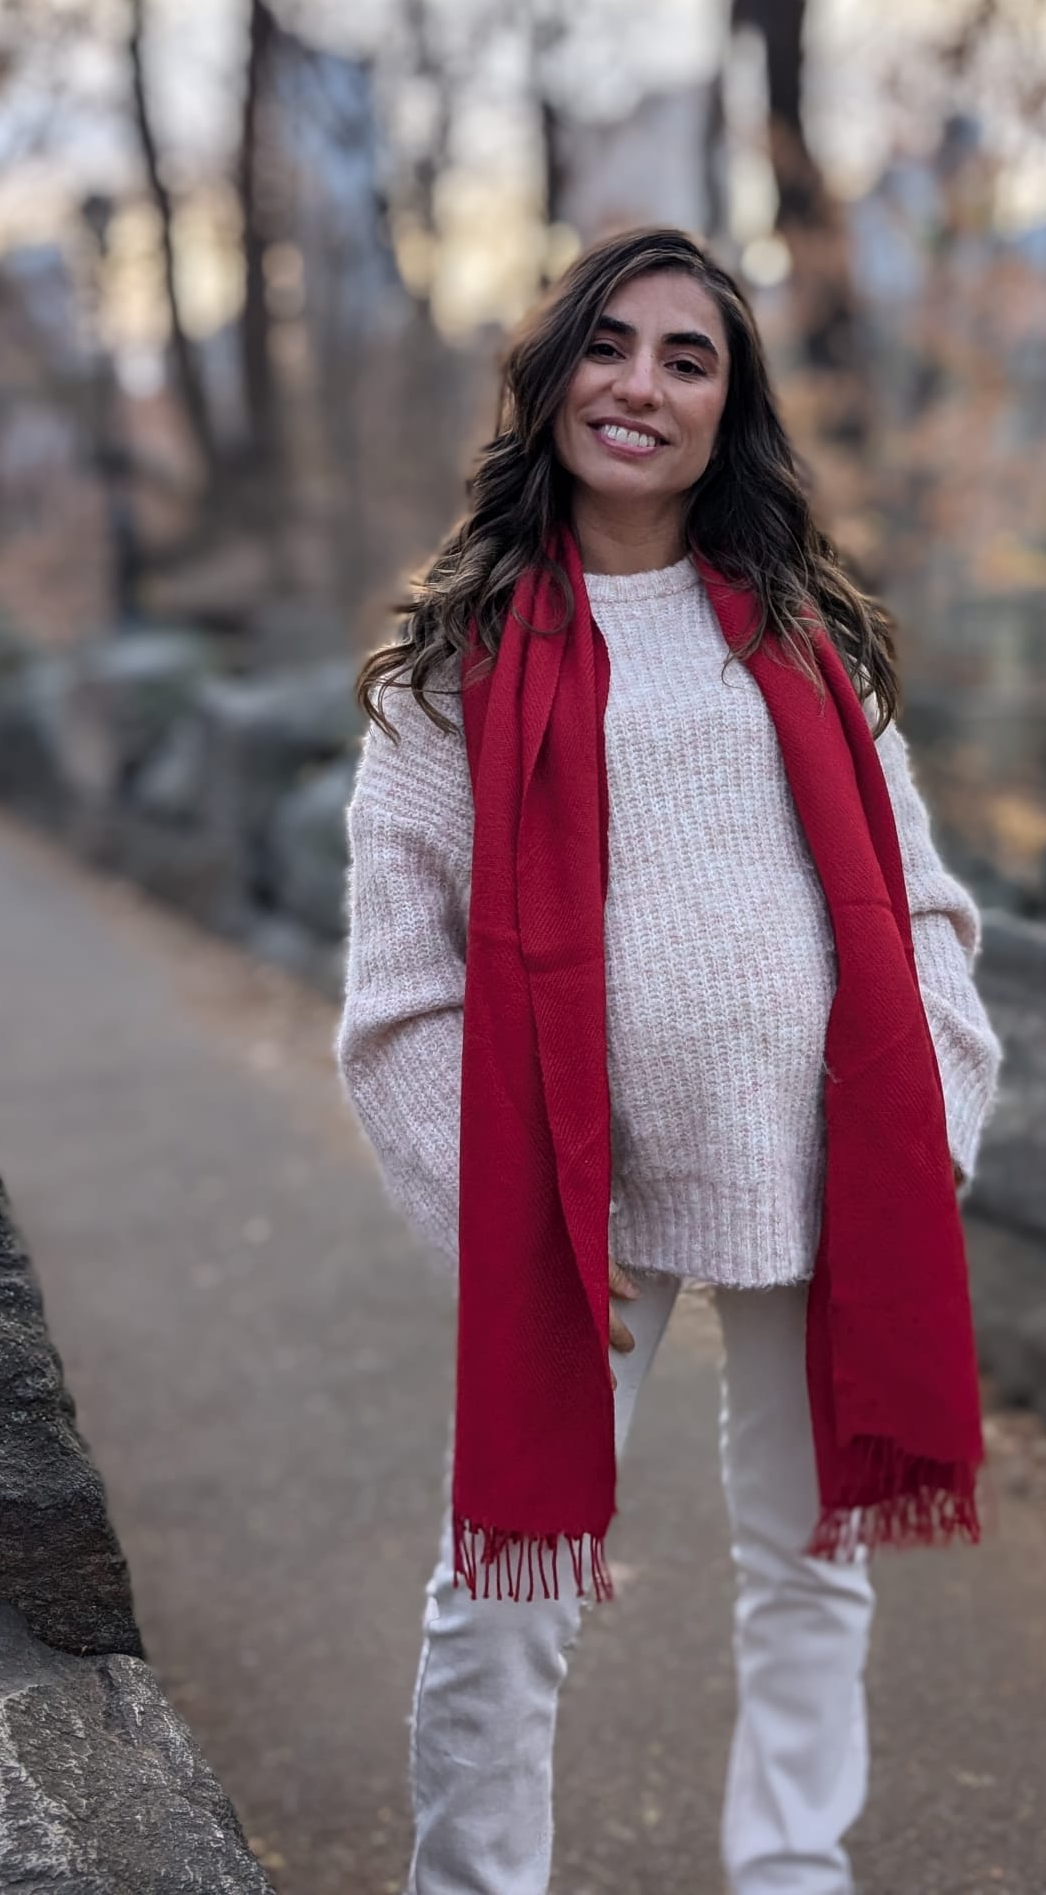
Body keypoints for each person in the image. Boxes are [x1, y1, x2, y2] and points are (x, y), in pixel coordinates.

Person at [336, 224, 1003, 1895]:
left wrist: (936, 1127)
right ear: (554, 376)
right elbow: (401, 997)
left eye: (687, 357)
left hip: (825, 1167)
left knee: (810, 1561)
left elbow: (922, 908)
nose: (641, 384)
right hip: (581, 1206)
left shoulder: (806, 638)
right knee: (507, 1589)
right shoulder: (456, 664)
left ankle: (794, 1872)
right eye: (611, 345)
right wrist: (501, 1217)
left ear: (729, 406)